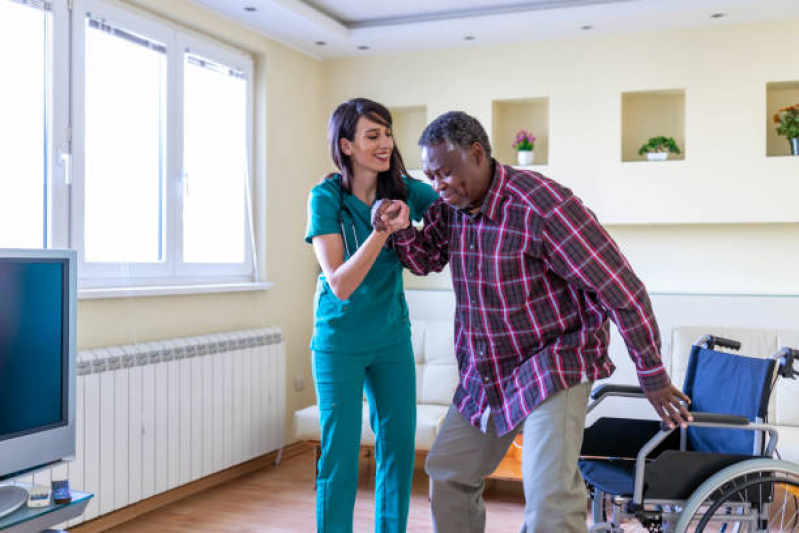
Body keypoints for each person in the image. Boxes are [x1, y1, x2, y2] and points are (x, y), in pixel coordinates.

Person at [379, 111, 692, 533]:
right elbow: (425, 259)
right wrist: (400, 229)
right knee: (448, 472)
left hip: (553, 362)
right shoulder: (450, 208)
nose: (439, 186)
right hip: (488, 368)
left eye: (447, 173)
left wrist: (651, 372)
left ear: (477, 154)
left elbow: (621, 287)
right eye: (431, 176)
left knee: (549, 504)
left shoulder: (542, 205)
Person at [305, 98, 439, 533]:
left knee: (398, 450)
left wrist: (414, 225)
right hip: (339, 340)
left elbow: (451, 212)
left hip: (391, 338)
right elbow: (340, 283)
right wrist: (383, 230)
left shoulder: (403, 190)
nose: (385, 143)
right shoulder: (325, 198)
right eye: (372, 134)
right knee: (340, 455)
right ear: (346, 145)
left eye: (387, 133)